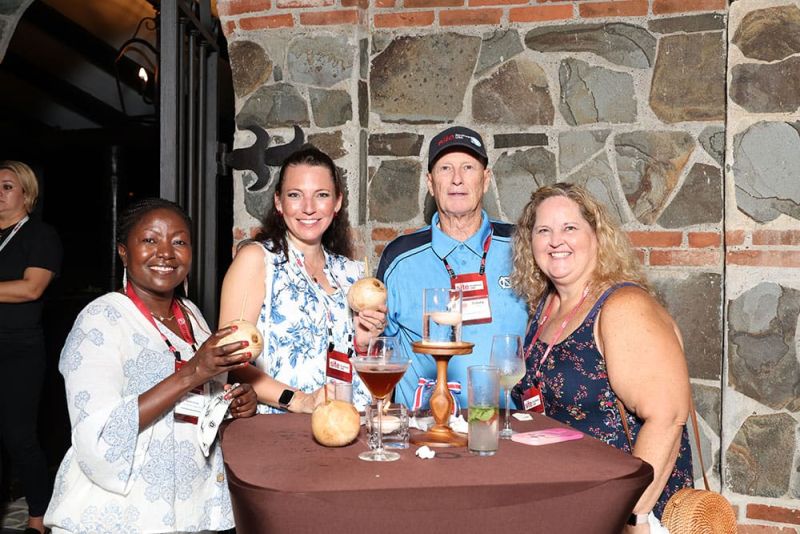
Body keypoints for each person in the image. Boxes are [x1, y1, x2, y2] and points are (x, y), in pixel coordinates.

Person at [44, 198, 257, 533]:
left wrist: (232, 403)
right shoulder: (100, 320)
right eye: (150, 240)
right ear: (123, 252)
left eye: (179, 242)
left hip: (189, 511)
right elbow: (97, 435)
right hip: (119, 515)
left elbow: (196, 408)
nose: (166, 253)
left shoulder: (193, 317)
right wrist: (192, 372)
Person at [509, 183, 693, 530]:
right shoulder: (546, 307)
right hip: (574, 506)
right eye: (543, 230)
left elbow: (667, 418)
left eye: (570, 228)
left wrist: (633, 515)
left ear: (597, 236)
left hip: (622, 511)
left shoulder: (623, 307)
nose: (555, 241)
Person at [219, 145, 385, 413]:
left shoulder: (352, 273)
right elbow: (229, 360)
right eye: (295, 195)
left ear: (337, 202)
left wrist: (364, 344)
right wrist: (299, 400)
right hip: (282, 432)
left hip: (351, 424)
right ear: (278, 202)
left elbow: (359, 366)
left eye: (321, 195)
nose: (308, 208)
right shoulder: (257, 260)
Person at [376, 126, 528, 410]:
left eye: (468, 167)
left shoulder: (522, 247)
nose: (457, 179)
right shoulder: (399, 257)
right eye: (446, 168)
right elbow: (381, 352)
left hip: (510, 431)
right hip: (424, 432)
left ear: (485, 180)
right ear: (431, 183)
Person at [0, 161, 62, 534]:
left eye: (6, 186)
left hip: (18, 349)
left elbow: (31, 288)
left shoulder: (40, 235)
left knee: (18, 436)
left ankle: (39, 517)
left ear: (26, 193)